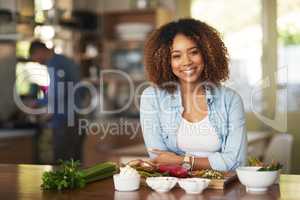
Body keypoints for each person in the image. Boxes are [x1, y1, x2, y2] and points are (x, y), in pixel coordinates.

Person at [140, 18, 247, 172]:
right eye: (176, 56)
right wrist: (214, 161)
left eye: (194, 52)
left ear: (207, 54)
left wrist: (181, 160)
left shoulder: (230, 99)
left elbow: (236, 161)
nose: (186, 62)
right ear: (165, 61)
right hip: (174, 189)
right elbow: (158, 158)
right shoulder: (152, 98)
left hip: (222, 190)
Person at [29, 40, 84, 163]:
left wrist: (39, 103)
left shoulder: (55, 64)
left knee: (62, 164)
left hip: (65, 121)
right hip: (76, 117)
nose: (37, 62)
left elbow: (57, 92)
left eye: (35, 59)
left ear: (40, 51)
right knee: (75, 163)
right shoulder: (65, 61)